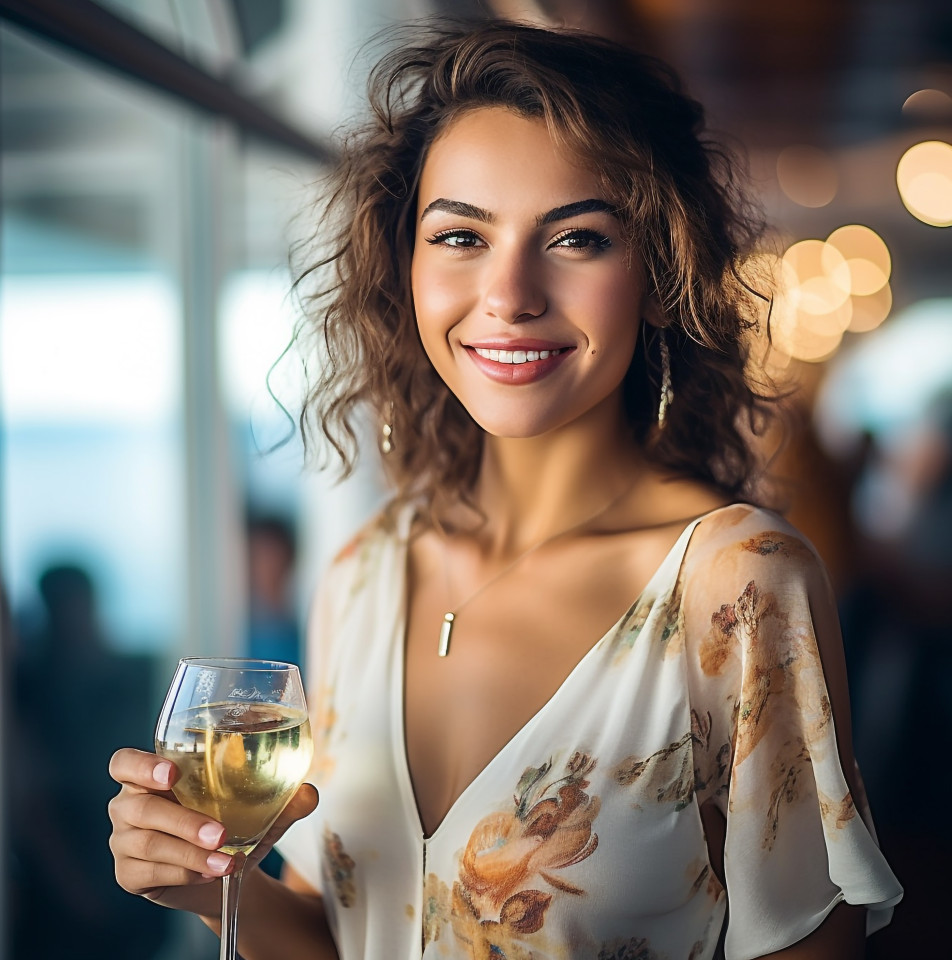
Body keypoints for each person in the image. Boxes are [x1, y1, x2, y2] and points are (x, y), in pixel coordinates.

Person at [108, 21, 902, 960]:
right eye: (460, 236)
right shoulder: (366, 575)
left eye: (575, 238)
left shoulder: (737, 585)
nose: (510, 293)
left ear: (658, 272)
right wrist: (212, 886)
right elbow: (341, 932)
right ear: (407, 267)